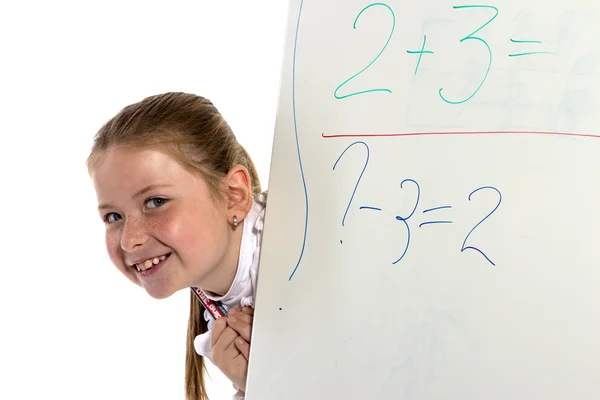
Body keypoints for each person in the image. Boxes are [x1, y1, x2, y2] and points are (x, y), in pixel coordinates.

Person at [87, 92, 267, 400]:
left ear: (234, 194)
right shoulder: (220, 311)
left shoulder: (312, 254)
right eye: (113, 216)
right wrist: (258, 387)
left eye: (155, 202)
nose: (131, 240)